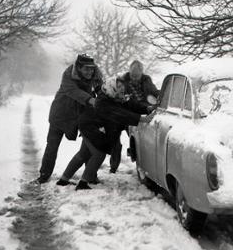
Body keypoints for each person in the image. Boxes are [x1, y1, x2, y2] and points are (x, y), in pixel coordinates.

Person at [56, 77, 155, 190]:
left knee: (83, 154)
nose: (122, 89)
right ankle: (83, 183)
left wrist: (147, 108)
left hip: (91, 126)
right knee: (99, 155)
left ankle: (63, 180)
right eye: (119, 87)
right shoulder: (103, 101)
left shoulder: (115, 97)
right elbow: (121, 114)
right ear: (112, 88)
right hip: (90, 127)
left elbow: (130, 105)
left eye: (122, 87)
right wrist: (142, 119)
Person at [36, 54, 103, 183]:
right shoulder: (68, 75)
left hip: (81, 115)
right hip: (60, 115)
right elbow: (73, 91)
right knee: (52, 146)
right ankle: (44, 175)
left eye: (91, 69)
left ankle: (90, 176)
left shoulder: (95, 75)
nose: (90, 72)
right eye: (86, 69)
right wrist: (91, 100)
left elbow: (102, 90)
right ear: (78, 67)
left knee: (89, 145)